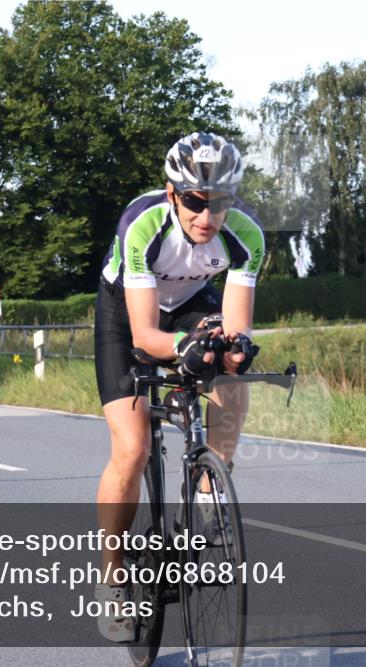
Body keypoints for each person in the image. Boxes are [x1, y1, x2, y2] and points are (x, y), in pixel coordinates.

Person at [92, 131, 265, 641]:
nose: (207, 216)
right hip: (125, 314)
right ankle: (112, 579)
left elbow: (237, 326)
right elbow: (145, 335)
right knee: (133, 446)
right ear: (173, 194)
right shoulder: (141, 223)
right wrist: (183, 348)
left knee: (231, 369)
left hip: (191, 301)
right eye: (195, 201)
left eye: (219, 203)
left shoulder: (248, 236)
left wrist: (233, 349)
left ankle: (210, 487)